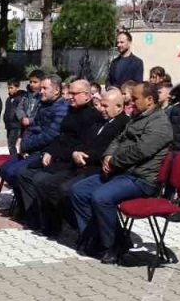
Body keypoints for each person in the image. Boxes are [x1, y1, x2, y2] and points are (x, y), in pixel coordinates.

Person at [71, 82, 173, 263]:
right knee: (79, 191)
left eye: (134, 99)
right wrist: (109, 155)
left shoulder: (160, 124)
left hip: (140, 179)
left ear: (149, 100)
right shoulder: (137, 117)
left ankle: (113, 245)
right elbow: (118, 139)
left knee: (101, 197)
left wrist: (114, 162)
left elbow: (141, 151)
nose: (130, 102)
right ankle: (98, 238)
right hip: (121, 172)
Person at [21, 88, 127, 236]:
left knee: (67, 189)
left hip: (96, 167)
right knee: (44, 182)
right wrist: (75, 152)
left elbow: (107, 149)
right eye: (101, 105)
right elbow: (84, 141)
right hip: (79, 163)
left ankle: (88, 232)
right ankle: (66, 225)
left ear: (119, 107)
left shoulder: (122, 124)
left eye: (105, 106)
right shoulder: (100, 121)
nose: (101, 109)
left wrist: (82, 156)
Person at [11, 78, 96, 216]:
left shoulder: (91, 116)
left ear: (86, 96)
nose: (69, 97)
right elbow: (60, 136)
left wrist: (52, 152)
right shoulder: (71, 111)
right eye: (69, 93)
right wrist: (49, 151)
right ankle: (34, 217)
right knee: (23, 173)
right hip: (56, 154)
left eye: (74, 94)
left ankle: (53, 221)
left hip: (70, 161)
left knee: (41, 180)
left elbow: (79, 143)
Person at [0, 75, 68, 210]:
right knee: (4, 169)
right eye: (40, 88)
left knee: (16, 172)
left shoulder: (61, 108)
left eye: (44, 88)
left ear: (56, 90)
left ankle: (31, 209)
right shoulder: (42, 105)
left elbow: (50, 135)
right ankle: (23, 205)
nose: (40, 91)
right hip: (31, 147)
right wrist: (24, 144)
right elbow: (32, 127)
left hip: (44, 150)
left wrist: (27, 145)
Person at [3, 79, 26, 156]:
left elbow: (21, 111)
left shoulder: (20, 98)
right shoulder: (8, 99)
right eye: (8, 88)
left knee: (11, 144)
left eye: (11, 88)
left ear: (17, 87)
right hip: (9, 125)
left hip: (16, 125)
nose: (9, 90)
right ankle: (13, 158)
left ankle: (14, 159)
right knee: (10, 145)